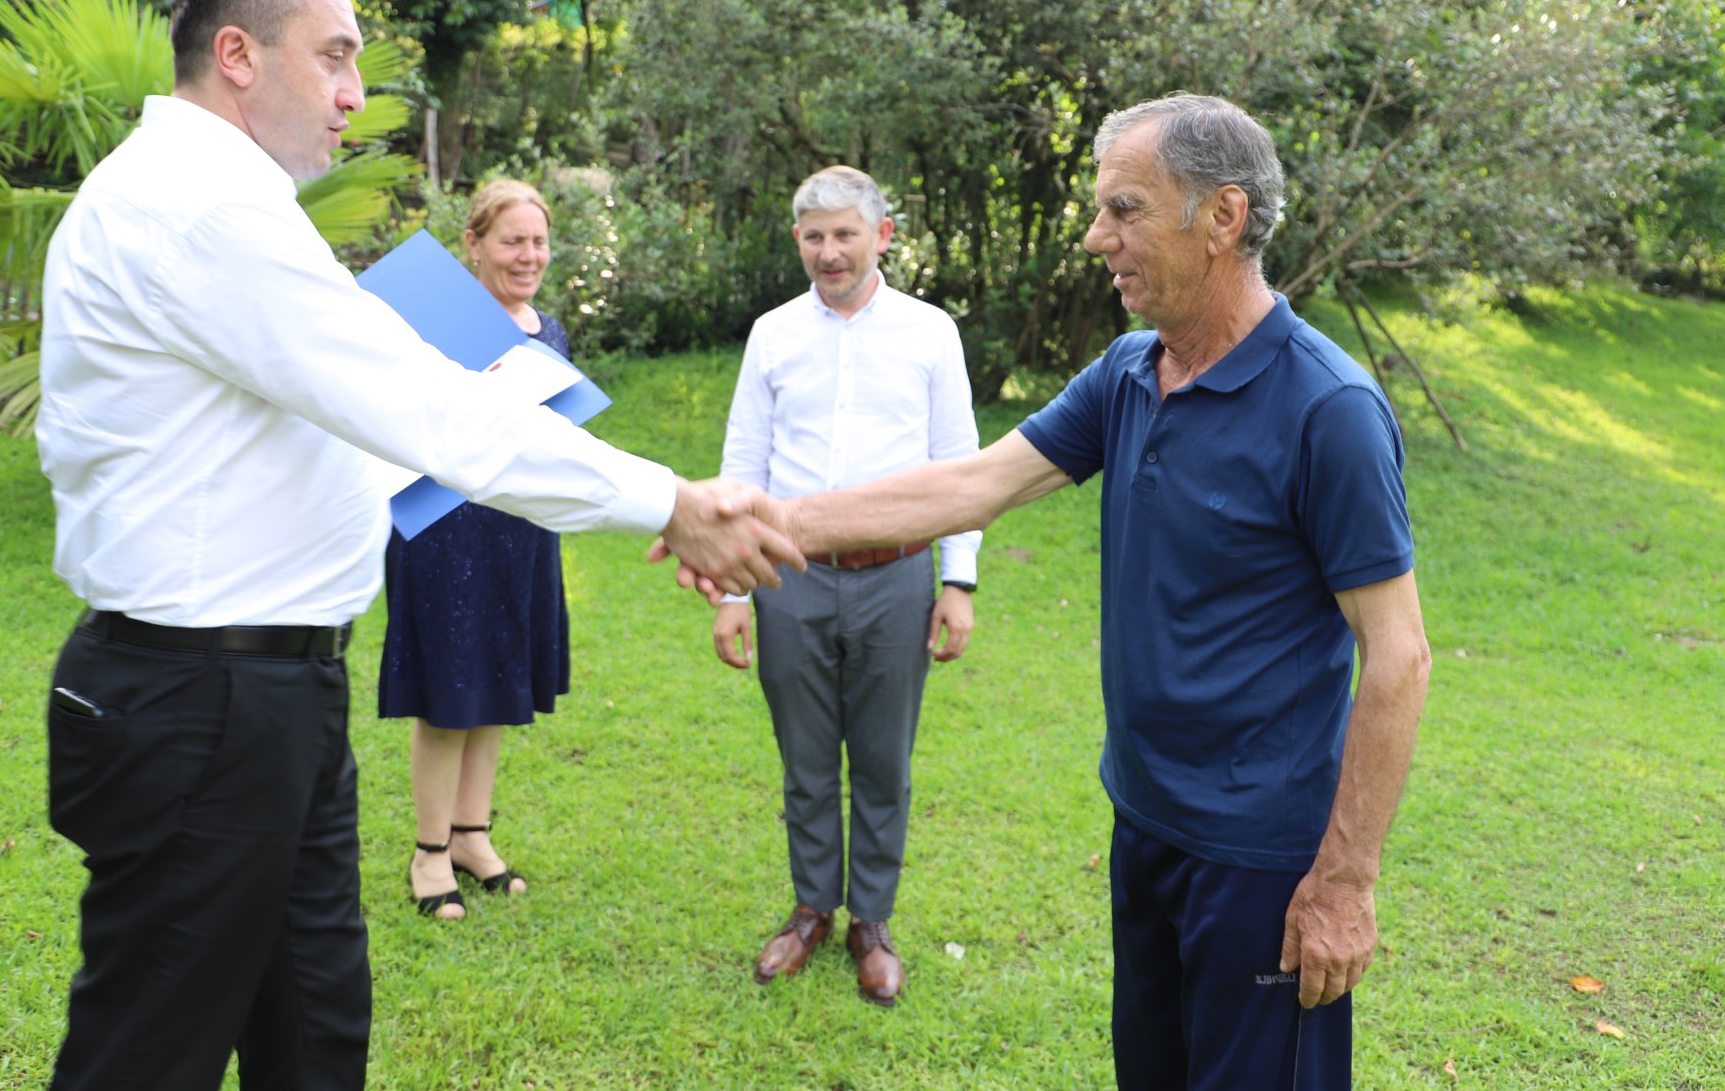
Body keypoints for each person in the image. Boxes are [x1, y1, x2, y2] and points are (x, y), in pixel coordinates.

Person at [35, 0, 798, 1091]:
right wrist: (670, 501)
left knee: (314, 1029)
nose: (355, 93)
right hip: (204, 703)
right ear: (237, 55)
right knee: (147, 1055)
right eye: (334, 56)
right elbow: (423, 409)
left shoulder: (219, 200)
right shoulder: (200, 210)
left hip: (266, 693)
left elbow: (341, 424)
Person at [666, 96, 1430, 1089]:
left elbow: (1398, 655)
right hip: (1143, 819)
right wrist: (767, 521)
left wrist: (1345, 880)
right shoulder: (1130, 372)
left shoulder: (1328, 409)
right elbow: (971, 484)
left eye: (1123, 210)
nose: (1095, 237)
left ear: (1222, 216)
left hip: (1262, 861)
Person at [711, 166, 980, 1006]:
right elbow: (743, 462)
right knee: (804, 757)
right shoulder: (773, 334)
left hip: (897, 576)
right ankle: (810, 910)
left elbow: (960, 464)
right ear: (798, 240)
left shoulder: (929, 332)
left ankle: (872, 919)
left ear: (882, 236)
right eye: (814, 236)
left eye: (845, 234)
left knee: (883, 759)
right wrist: (732, 593)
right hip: (789, 578)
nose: (829, 251)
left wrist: (959, 579)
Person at [379, 178, 575, 918]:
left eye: (539, 241)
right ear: (474, 244)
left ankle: (471, 835)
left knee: (497, 684)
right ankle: (429, 851)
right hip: (445, 530)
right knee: (447, 695)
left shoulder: (550, 332)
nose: (529, 256)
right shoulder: (431, 326)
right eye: (512, 240)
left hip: (520, 531)